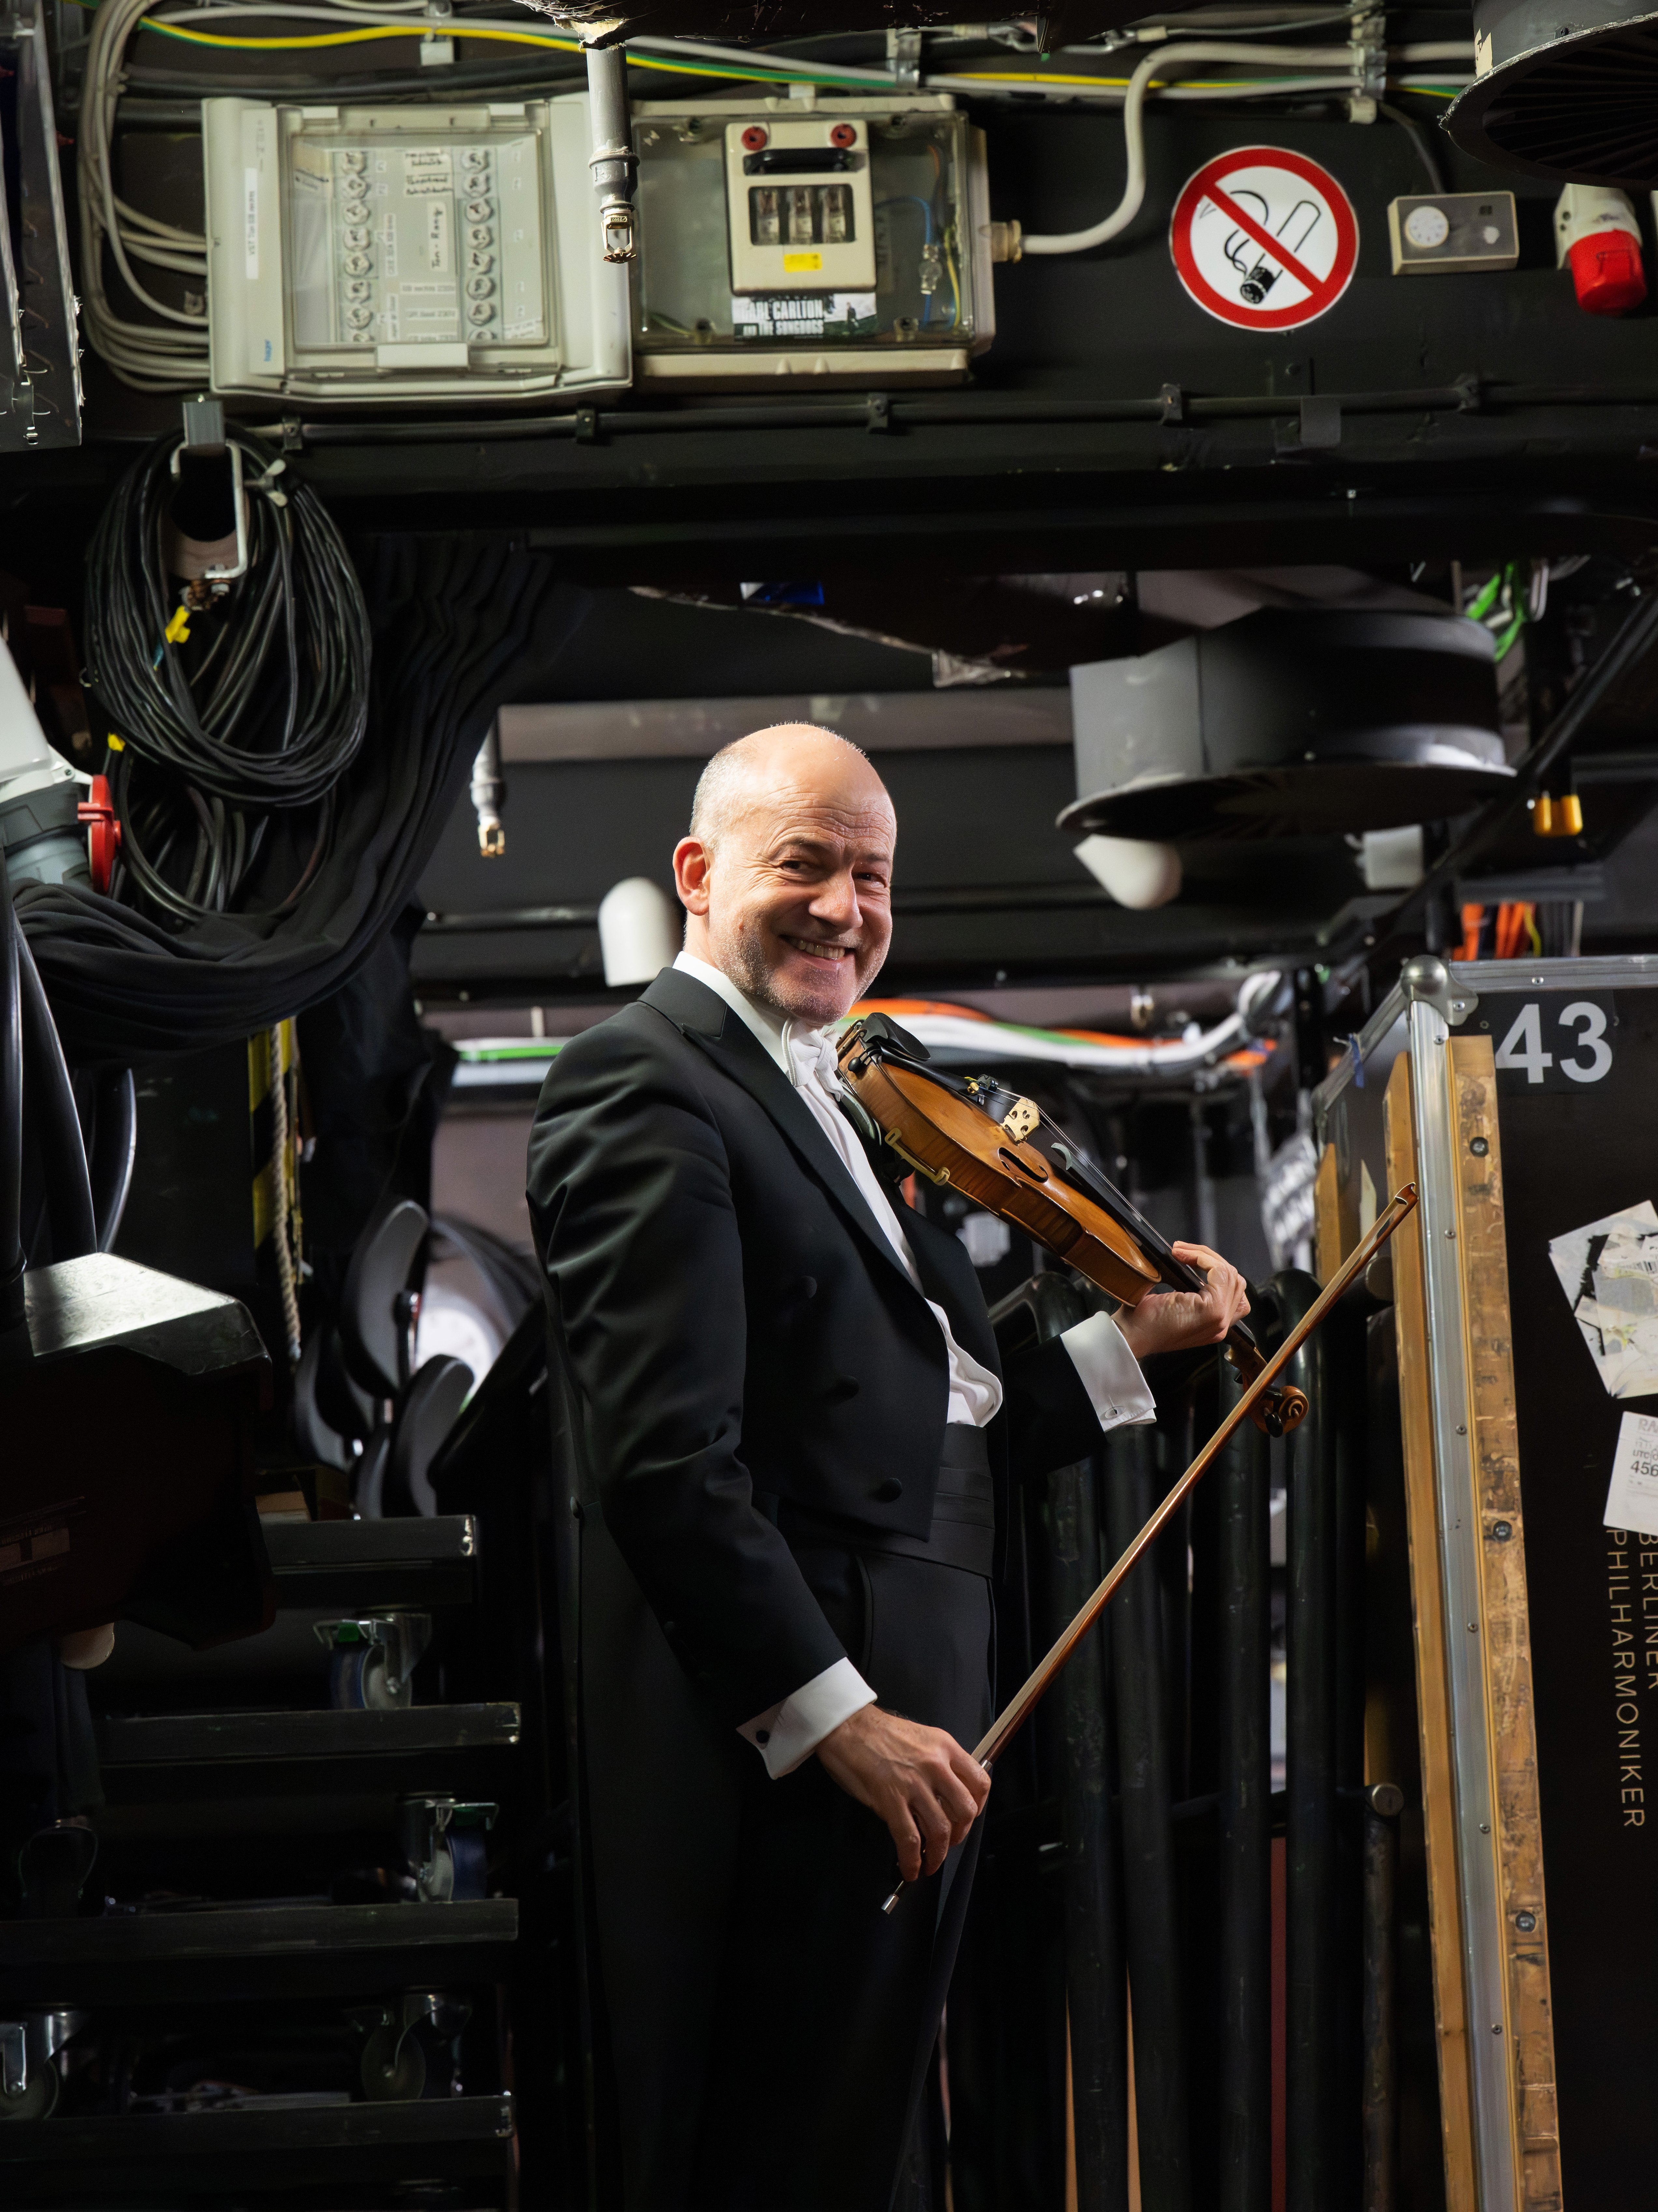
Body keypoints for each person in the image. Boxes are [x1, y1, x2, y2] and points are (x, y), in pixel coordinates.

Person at [527, 724, 1251, 2212]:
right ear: (698, 871)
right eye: (803, 862)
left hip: (916, 1689)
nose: (844, 907)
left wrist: (1133, 1343)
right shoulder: (640, 1083)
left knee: (872, 2148)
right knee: (790, 2158)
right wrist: (835, 1720)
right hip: (807, 1742)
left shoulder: (829, 1090)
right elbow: (665, 1463)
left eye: (872, 876)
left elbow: (929, 1420)